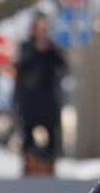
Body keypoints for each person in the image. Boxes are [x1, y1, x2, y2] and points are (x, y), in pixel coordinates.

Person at [14, 13, 66, 176]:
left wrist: (50, 51)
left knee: (51, 130)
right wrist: (35, 50)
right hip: (29, 97)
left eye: (45, 28)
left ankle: (49, 164)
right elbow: (21, 68)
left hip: (48, 97)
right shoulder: (26, 47)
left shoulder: (53, 47)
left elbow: (62, 67)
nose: (43, 31)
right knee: (28, 131)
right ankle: (29, 164)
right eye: (40, 27)